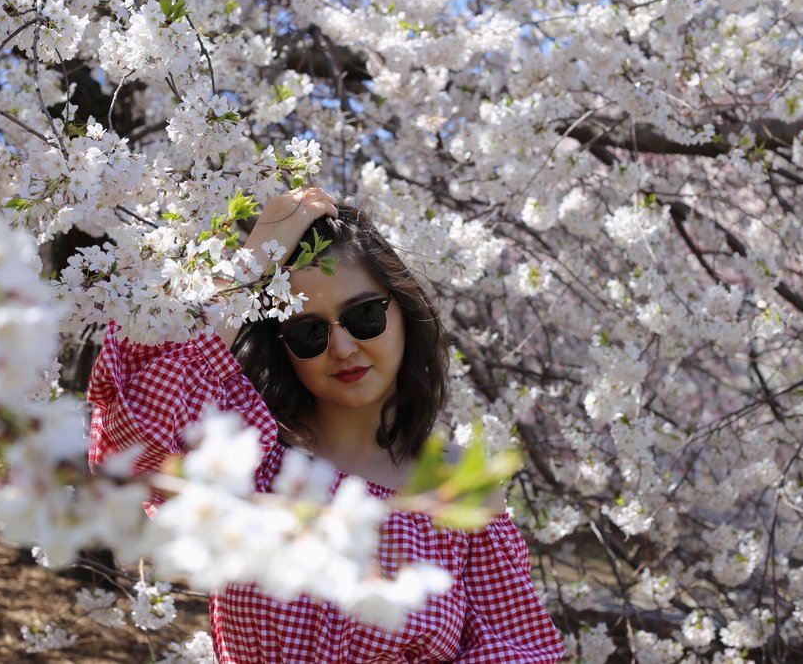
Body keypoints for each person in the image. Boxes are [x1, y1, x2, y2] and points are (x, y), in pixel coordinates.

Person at [87, 188, 565, 663]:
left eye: (363, 316)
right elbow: (131, 447)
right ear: (283, 345)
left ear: (403, 311)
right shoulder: (246, 459)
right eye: (308, 331)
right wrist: (251, 265)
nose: (342, 348)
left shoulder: (461, 488)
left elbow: (515, 651)